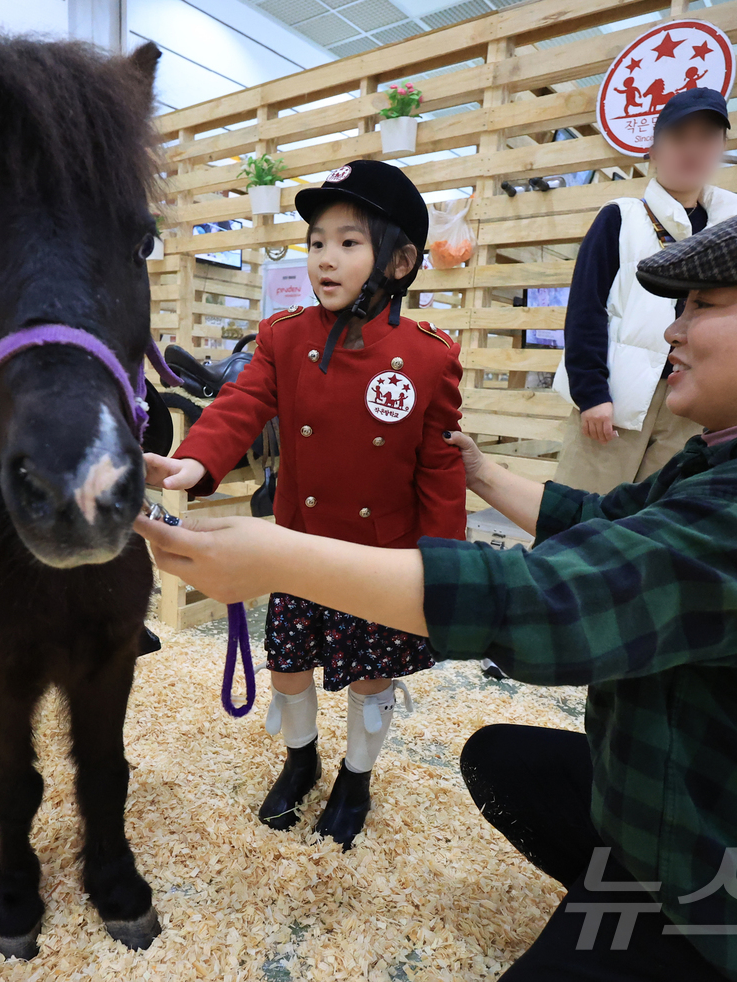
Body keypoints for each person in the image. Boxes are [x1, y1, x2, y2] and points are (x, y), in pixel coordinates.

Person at [134, 186, 737, 982]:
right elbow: (602, 518)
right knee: (499, 756)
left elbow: (552, 603)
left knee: (396, 693)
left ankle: (648, 927)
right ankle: (615, 887)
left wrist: (277, 556)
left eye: (703, 303)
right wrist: (482, 471)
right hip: (709, 807)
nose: (673, 328)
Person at [142, 159, 467, 848]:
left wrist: (449, 573)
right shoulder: (283, 335)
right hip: (294, 546)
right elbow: (243, 401)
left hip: (379, 560)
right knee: (287, 665)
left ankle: (355, 777)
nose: (325, 258)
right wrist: (195, 460)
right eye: (317, 241)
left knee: (370, 676)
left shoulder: (429, 357)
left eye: (349, 242)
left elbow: (440, 470)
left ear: (402, 261)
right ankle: (301, 759)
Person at [553, 87, 737, 494]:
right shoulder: (620, 218)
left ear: (722, 148)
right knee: (577, 518)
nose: (692, 150)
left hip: (692, 403)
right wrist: (592, 394)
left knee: (653, 523)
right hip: (616, 403)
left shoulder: (736, 227)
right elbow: (585, 310)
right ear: (653, 149)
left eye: (706, 138)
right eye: (679, 138)